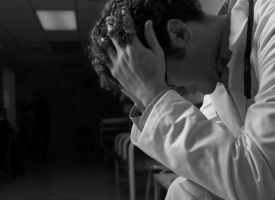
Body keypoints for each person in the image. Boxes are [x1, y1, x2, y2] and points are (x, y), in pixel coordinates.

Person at [89, 0, 275, 199]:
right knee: (184, 192)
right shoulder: (219, 73)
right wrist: (146, 101)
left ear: (179, 34)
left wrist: (153, 93)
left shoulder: (270, 24)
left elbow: (259, 181)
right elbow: (211, 167)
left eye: (165, 82)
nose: (177, 94)